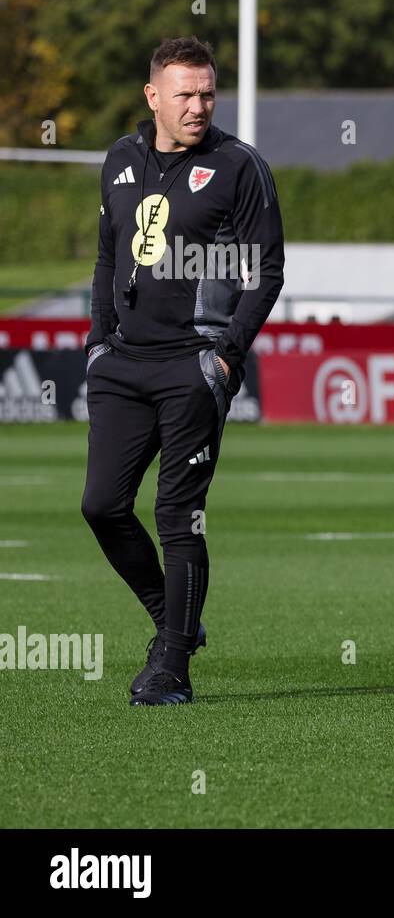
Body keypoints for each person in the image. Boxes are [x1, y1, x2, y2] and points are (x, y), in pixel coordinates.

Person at [81, 36, 284, 705]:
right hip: (122, 365)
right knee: (102, 506)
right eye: (184, 94)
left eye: (206, 94)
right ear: (153, 97)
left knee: (178, 516)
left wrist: (227, 357)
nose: (197, 106)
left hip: (191, 368)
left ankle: (171, 667)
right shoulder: (119, 159)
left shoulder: (238, 167)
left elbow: (266, 271)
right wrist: (98, 341)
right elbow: (108, 254)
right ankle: (176, 625)